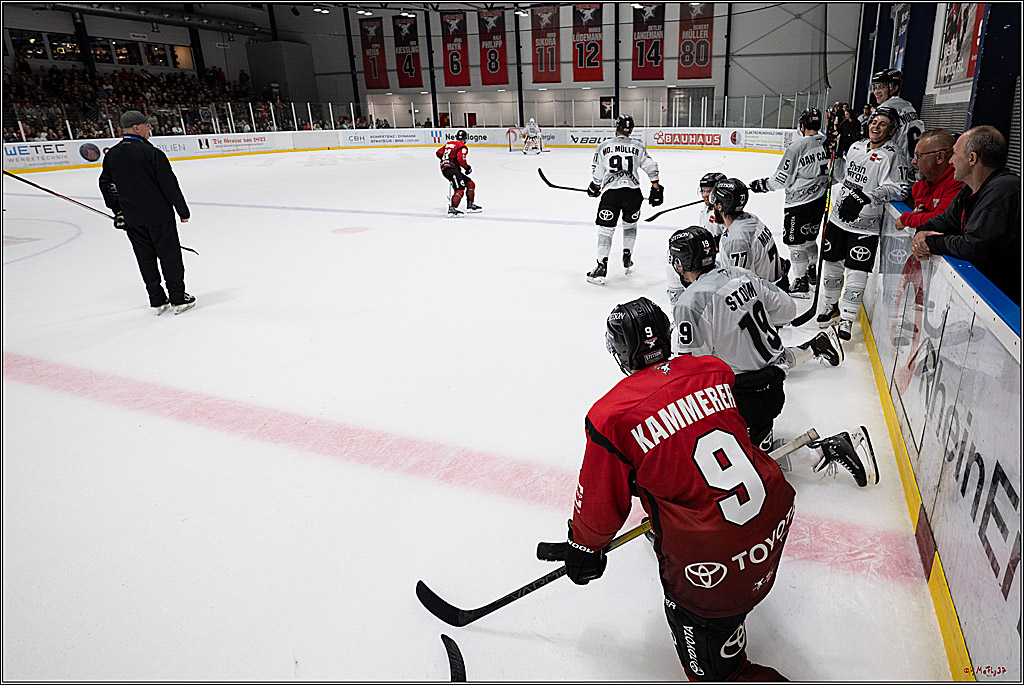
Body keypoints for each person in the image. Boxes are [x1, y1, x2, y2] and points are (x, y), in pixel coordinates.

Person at [558, 295, 795, 681]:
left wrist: (584, 546)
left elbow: (600, 509)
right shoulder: (713, 369)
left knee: (720, 672)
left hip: (716, 558)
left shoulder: (611, 417)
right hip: (774, 515)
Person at [668, 226, 847, 454]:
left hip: (747, 394)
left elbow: (692, 370)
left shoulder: (690, 302)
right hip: (776, 376)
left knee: (738, 462)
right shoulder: (741, 274)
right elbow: (787, 310)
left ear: (683, 263)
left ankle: (825, 452)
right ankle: (814, 347)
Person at [815, 106, 911, 340]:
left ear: (892, 130)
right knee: (831, 266)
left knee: (857, 273)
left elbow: (901, 188)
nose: (875, 126)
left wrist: (868, 196)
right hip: (838, 219)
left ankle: (847, 319)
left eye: (882, 124)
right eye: (873, 122)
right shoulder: (856, 146)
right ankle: (830, 306)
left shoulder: (893, 154)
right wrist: (835, 156)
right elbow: (840, 177)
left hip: (864, 227)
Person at [98, 110, 195, 315]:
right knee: (170, 256)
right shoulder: (152, 153)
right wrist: (182, 210)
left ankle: (157, 299)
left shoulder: (112, 155)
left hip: (133, 218)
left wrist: (117, 211)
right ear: (136, 128)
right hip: (159, 216)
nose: (150, 128)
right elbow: (169, 185)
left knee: (145, 257)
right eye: (147, 125)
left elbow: (106, 184)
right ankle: (178, 297)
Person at [911, 125, 1021, 304]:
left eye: (954, 154)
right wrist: (922, 232)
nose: (950, 161)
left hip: (1005, 305)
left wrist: (929, 242)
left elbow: (973, 246)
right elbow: (944, 221)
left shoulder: (1004, 190)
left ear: (972, 158)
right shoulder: (968, 190)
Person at [749, 108, 830, 298]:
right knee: (810, 239)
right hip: (819, 202)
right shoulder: (827, 145)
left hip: (798, 205)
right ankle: (811, 271)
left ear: (802, 126)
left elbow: (781, 179)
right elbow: (838, 173)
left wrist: (763, 185)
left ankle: (801, 282)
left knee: (795, 244)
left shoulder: (797, 147)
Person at [585, 114, 663, 284]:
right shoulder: (638, 146)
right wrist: (656, 188)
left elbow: (597, 173)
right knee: (630, 225)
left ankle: (601, 267)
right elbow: (651, 166)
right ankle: (627, 256)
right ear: (631, 129)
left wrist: (595, 186)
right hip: (633, 193)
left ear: (616, 127)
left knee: (606, 230)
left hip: (611, 194)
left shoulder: (604, 146)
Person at [711, 178, 790, 291]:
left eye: (714, 202)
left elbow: (741, 286)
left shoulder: (736, 240)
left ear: (720, 206)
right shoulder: (751, 218)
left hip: (765, 298)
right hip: (773, 285)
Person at [665, 172, 726, 306]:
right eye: (703, 191)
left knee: (673, 266)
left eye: (709, 191)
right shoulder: (707, 210)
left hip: (716, 265)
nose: (705, 195)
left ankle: (679, 307)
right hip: (710, 259)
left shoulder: (720, 215)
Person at [895, 129, 963, 230]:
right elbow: (922, 215)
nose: (913, 161)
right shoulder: (920, 184)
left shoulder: (959, 181)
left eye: (918, 156)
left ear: (940, 157)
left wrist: (906, 219)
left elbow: (941, 220)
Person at [871, 68, 925, 160]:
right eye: (875, 87)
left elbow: (876, 143)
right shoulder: (909, 107)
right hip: (913, 163)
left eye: (882, 87)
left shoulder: (884, 110)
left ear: (894, 88)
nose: (876, 92)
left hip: (894, 164)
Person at [436, 129, 482, 216]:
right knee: (460, 189)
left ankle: (470, 205)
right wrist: (467, 168)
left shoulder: (449, 144)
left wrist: (446, 160)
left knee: (470, 184)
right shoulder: (462, 146)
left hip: (447, 169)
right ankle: (452, 209)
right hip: (452, 170)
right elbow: (461, 159)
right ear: (465, 138)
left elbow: (438, 153)